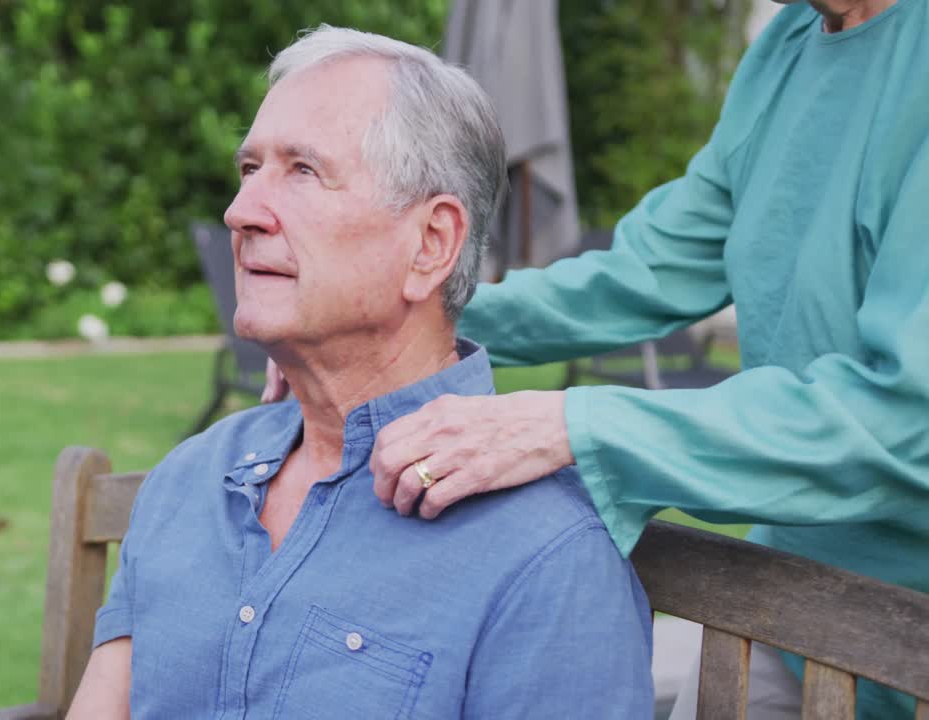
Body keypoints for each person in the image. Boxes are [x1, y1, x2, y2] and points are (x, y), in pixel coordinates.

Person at [264, 1, 928, 717]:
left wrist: (571, 427)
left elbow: (906, 423)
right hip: (797, 599)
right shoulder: (788, 45)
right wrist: (389, 314)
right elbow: (651, 269)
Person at [68, 26, 654, 720]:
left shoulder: (548, 557)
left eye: (303, 170)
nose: (240, 211)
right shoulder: (192, 479)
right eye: (249, 169)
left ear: (430, 244)